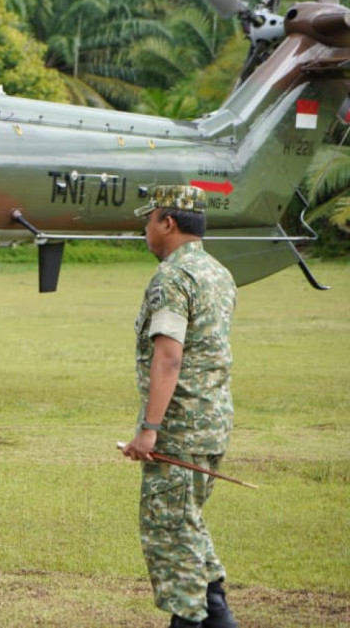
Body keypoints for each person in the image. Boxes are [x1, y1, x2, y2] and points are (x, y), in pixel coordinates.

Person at [122, 185, 239, 628]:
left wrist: (150, 427)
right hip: (212, 423)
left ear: (167, 223)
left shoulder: (173, 278)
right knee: (186, 522)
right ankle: (219, 615)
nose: (146, 229)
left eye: (149, 220)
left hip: (180, 428)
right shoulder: (217, 272)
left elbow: (169, 356)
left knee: (170, 533)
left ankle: (189, 619)